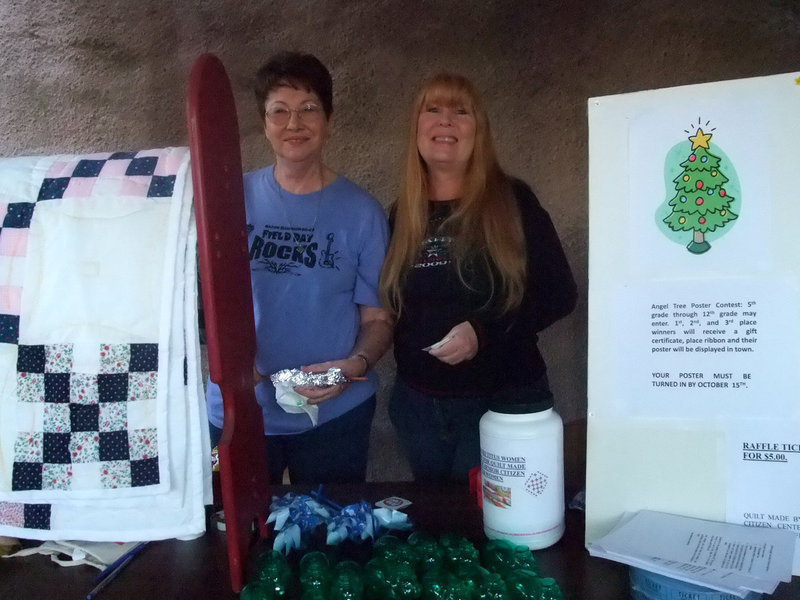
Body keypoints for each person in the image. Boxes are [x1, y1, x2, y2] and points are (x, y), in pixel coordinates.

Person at [380, 73, 577, 482]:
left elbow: (559, 293)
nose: (446, 121)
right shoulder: (401, 213)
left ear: (478, 130)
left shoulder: (512, 200)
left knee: (500, 531)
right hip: (420, 407)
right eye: (433, 110)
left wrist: (481, 332)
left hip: (503, 401)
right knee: (440, 530)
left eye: (460, 111)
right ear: (416, 127)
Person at [206, 52, 392, 484]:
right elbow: (197, 298)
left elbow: (379, 318)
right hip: (236, 412)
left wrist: (355, 365)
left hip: (334, 416)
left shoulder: (363, 212)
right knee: (230, 532)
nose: (295, 124)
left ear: (328, 120)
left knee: (332, 538)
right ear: (264, 123)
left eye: (309, 108)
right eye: (280, 111)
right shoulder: (229, 198)